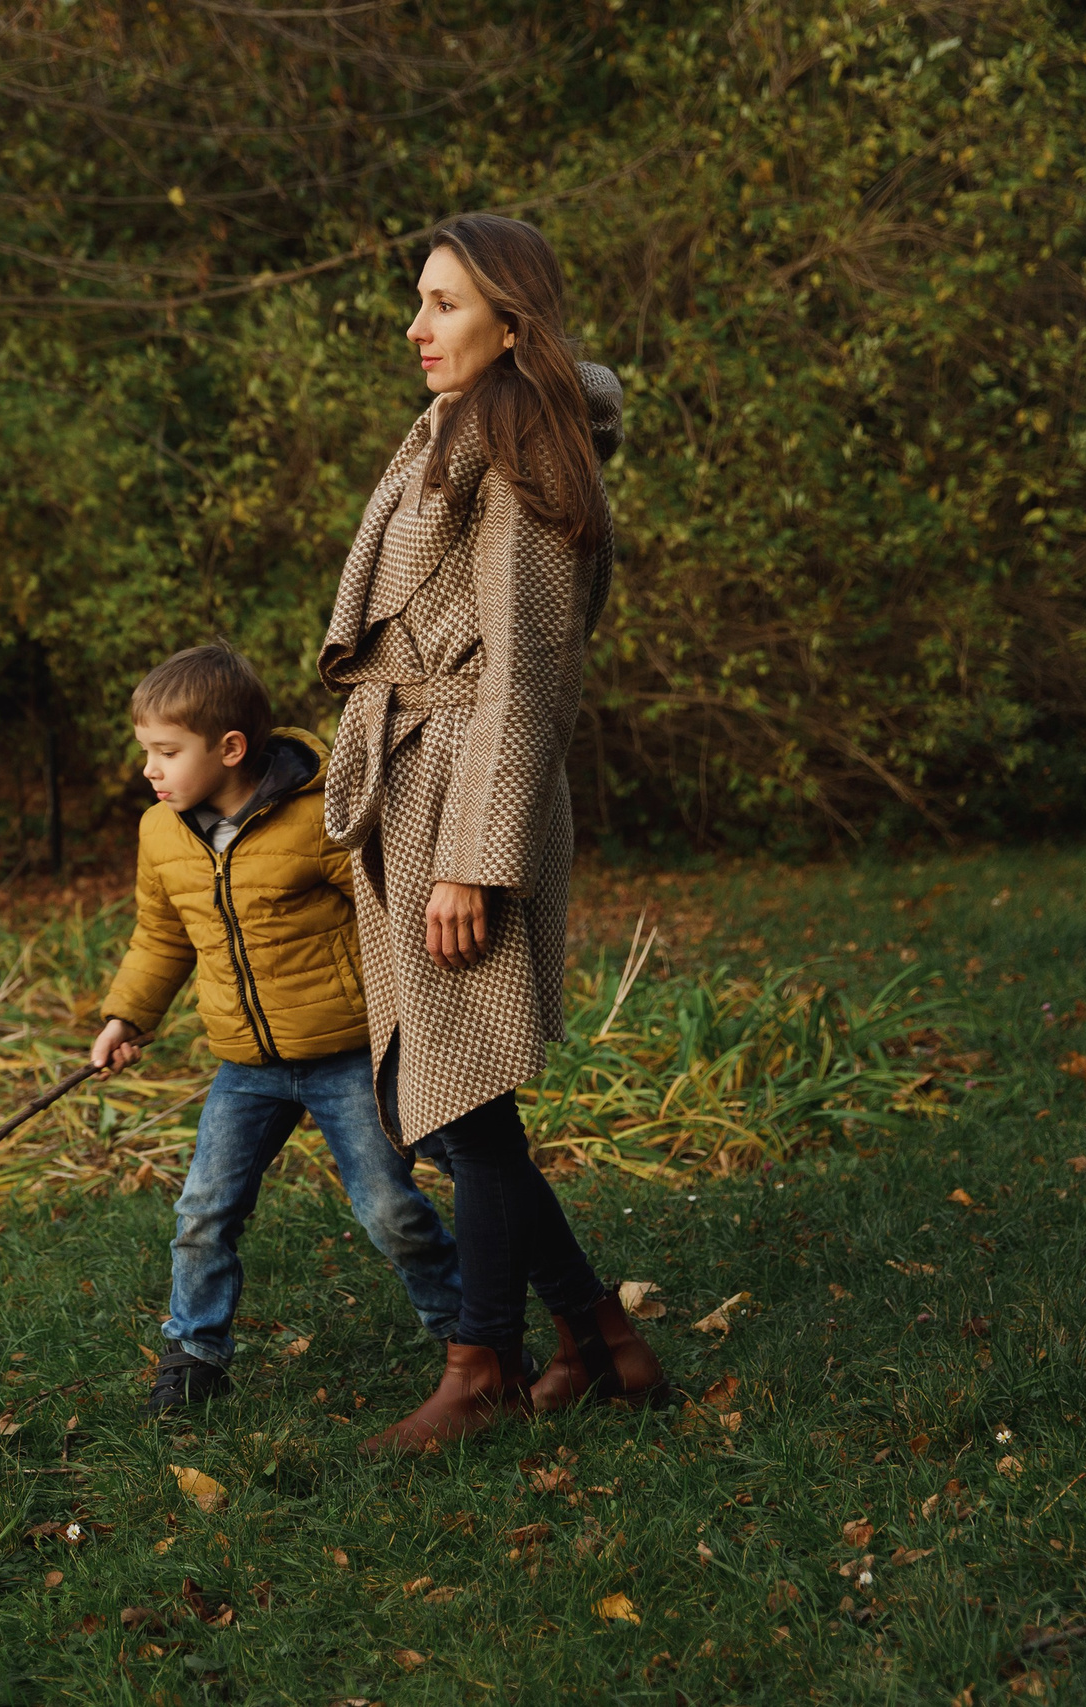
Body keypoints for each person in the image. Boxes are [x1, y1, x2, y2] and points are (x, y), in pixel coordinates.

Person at [316, 212, 671, 1455]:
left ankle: (482, 1369)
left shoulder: (522, 452)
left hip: (466, 792)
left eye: (445, 306)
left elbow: (526, 674)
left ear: (513, 320)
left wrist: (475, 855)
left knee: (463, 1103)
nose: (417, 329)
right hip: (417, 781)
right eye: (417, 302)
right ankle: (596, 1340)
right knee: (461, 1102)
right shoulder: (459, 429)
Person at [90, 641, 466, 1417]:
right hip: (246, 1067)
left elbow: (380, 914)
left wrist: (418, 1016)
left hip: (344, 1056)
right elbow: (162, 937)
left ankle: (470, 1337)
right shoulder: (161, 835)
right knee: (203, 1210)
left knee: (391, 1211)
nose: (150, 770)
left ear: (229, 749)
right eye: (146, 753)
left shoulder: (320, 817)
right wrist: (127, 1016)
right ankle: (195, 1352)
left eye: (166, 752)